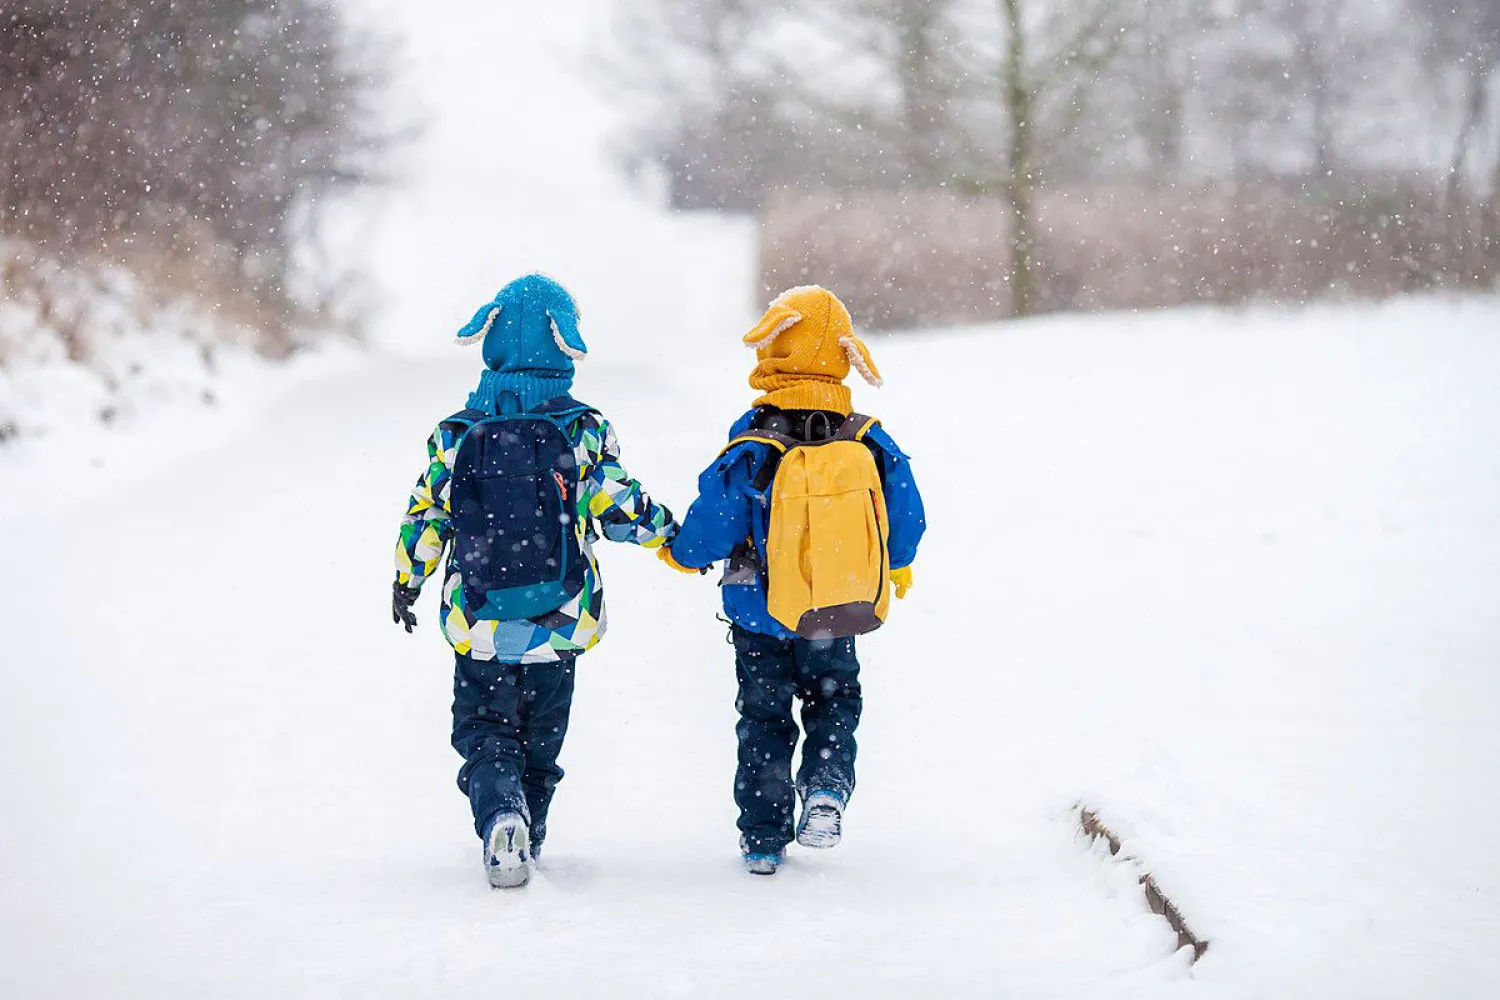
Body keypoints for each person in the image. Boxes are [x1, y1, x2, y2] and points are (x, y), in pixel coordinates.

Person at [392, 274, 676, 888]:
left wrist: (406, 580)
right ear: (563, 342)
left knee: (485, 728)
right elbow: (617, 504)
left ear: (489, 337)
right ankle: (531, 832)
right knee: (542, 739)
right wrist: (669, 535)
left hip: (479, 616)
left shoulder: (457, 431)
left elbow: (428, 513)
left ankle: (501, 813)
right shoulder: (580, 428)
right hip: (562, 616)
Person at [658, 285, 926, 875]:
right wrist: (896, 562)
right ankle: (827, 786)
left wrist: (683, 553)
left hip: (761, 611)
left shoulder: (757, 437)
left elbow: (718, 516)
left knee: (764, 716)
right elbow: (906, 513)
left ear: (775, 349)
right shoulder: (867, 436)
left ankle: (762, 836)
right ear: (842, 356)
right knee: (835, 702)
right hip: (837, 607)